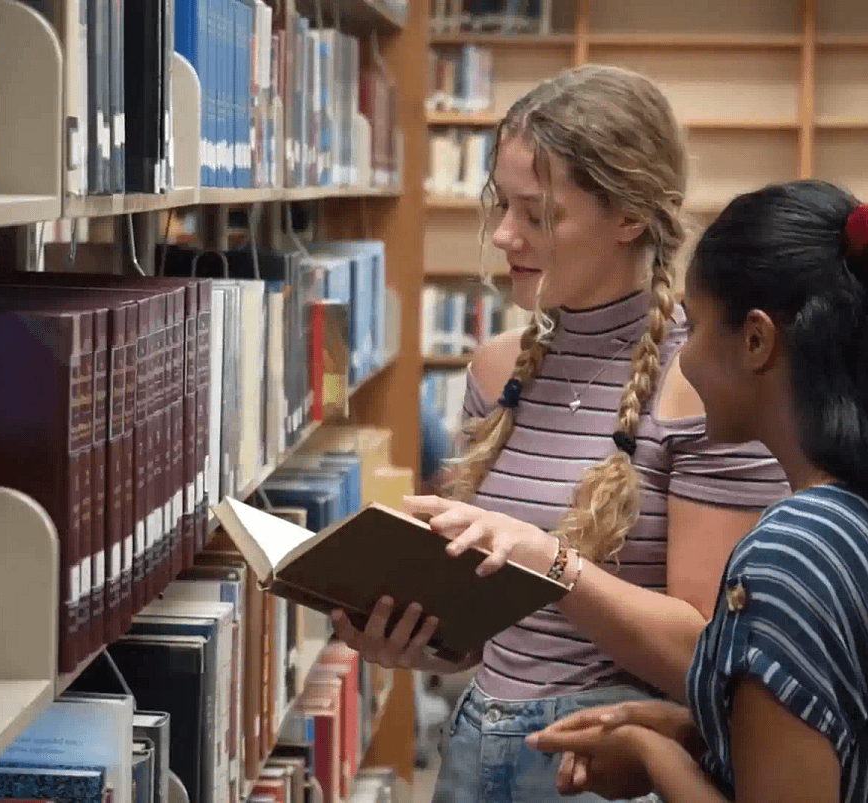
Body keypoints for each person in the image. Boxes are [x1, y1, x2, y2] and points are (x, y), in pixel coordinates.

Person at [329, 64, 790, 802]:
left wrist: (553, 562)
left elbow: (710, 655)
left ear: (629, 217)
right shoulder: (494, 371)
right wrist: (413, 637)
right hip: (476, 747)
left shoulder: (709, 383)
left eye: (538, 214)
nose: (505, 235)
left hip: (605, 771)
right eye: (499, 204)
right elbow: (486, 638)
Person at [523, 180, 868, 803]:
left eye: (694, 329)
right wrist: (706, 729)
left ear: (756, 340)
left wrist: (651, 756)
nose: (684, 361)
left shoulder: (792, 552)